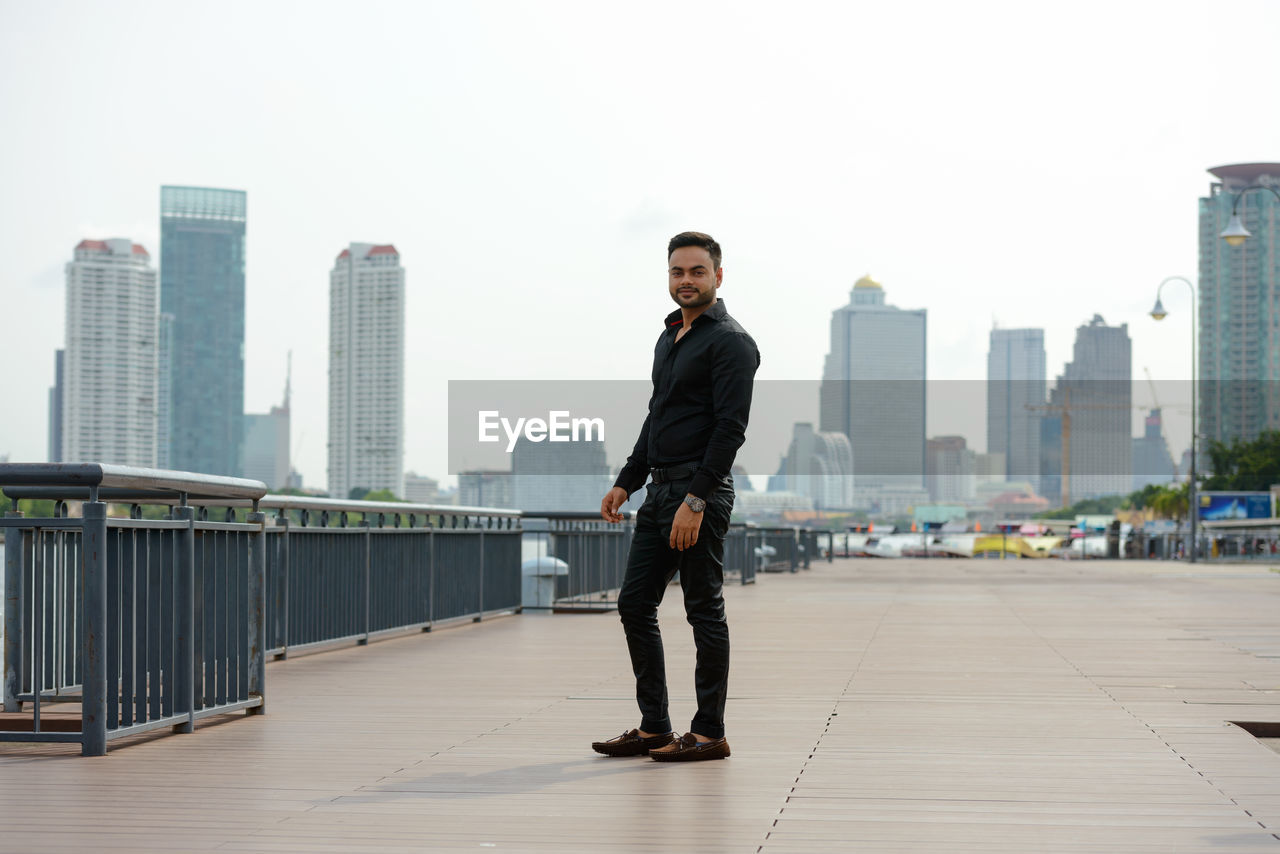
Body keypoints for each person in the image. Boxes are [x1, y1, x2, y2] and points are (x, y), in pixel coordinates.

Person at [593, 231, 760, 762]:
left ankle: (709, 732)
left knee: (702, 611)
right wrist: (627, 480)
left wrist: (696, 500)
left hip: (697, 494)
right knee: (634, 603)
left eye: (696, 272)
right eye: (677, 272)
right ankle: (654, 728)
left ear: (718, 276)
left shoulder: (731, 341)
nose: (686, 281)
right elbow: (656, 416)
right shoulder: (669, 337)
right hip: (659, 490)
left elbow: (730, 428)